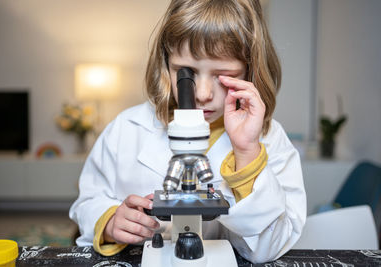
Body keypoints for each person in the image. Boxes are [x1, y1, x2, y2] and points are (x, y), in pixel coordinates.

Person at [69, 0, 306, 263]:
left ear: (250, 71)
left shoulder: (270, 138)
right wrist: (111, 222)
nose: (203, 94)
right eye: (187, 73)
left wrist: (247, 153)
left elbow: (269, 248)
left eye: (223, 75)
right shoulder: (127, 128)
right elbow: (88, 201)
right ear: (165, 62)